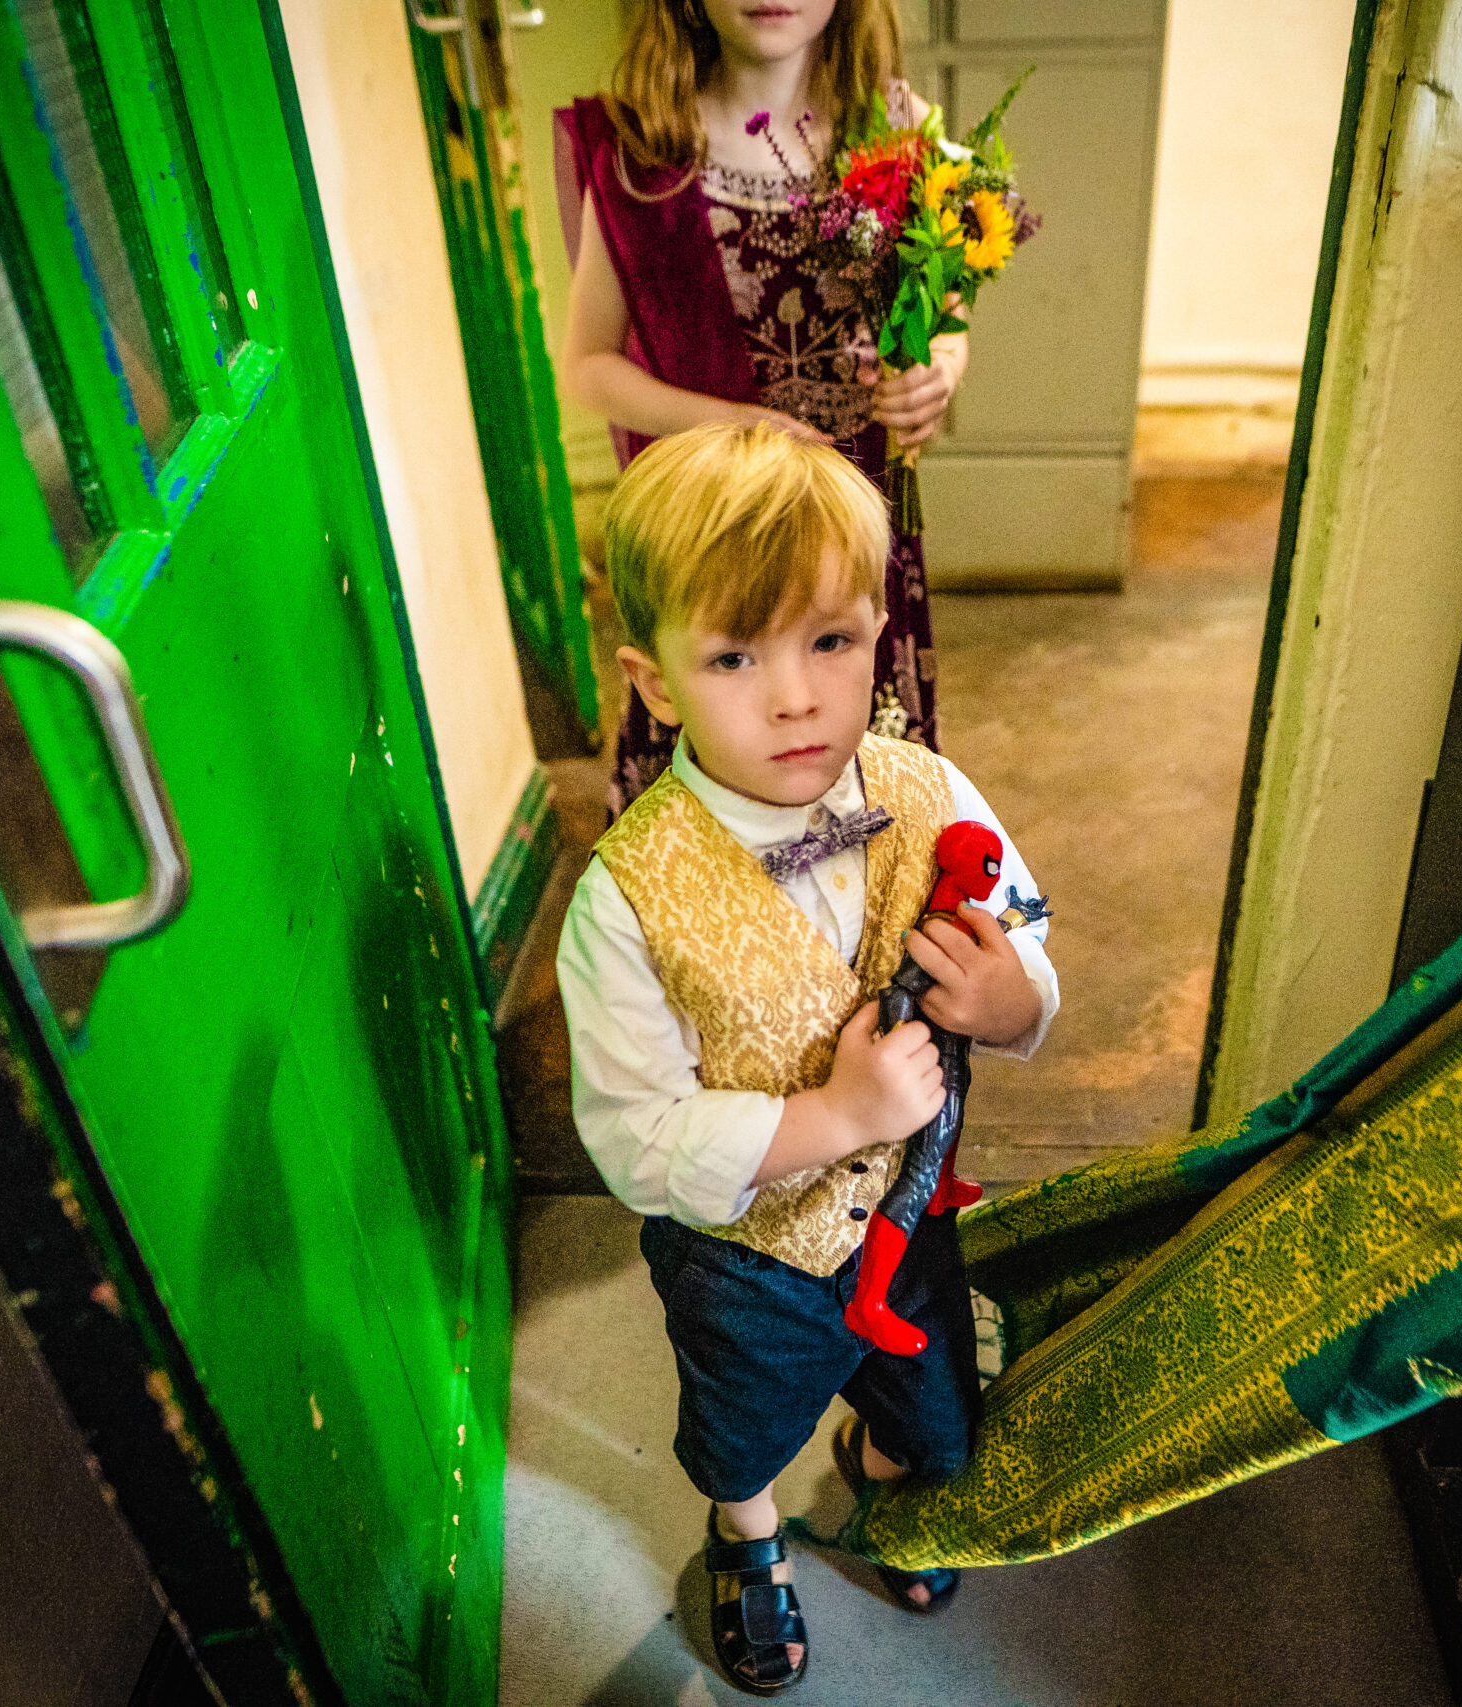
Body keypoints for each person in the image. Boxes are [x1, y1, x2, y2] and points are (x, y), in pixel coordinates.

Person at [554, 423, 1056, 1695]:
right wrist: (833, 1117)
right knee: (743, 1427)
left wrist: (1012, 1001)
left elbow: (1023, 926)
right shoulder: (626, 900)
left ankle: (883, 1469)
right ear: (654, 682)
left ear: (878, 629)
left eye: (829, 641)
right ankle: (748, 1536)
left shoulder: (929, 789)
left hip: (910, 1216)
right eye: (734, 656)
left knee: (933, 1405)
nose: (794, 698)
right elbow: (635, 1142)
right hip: (748, 1260)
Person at [555, 0, 966, 817]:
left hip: (856, 524)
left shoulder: (898, 131)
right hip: (715, 527)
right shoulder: (643, 150)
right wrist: (736, 424)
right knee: (732, 734)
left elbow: (945, 310)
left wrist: (942, 367)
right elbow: (587, 368)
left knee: (853, 726)